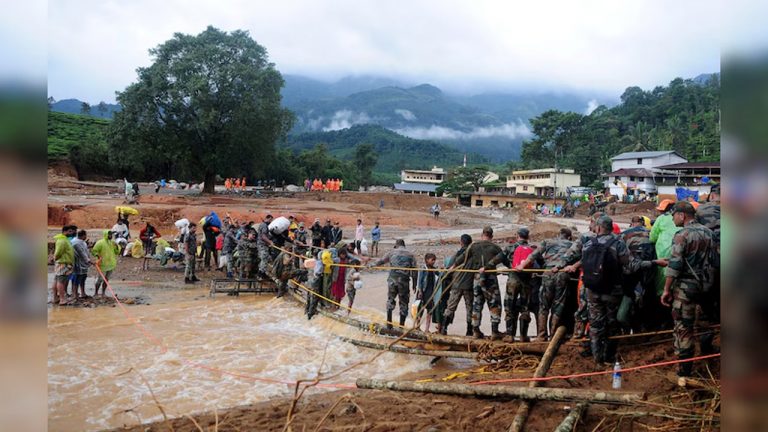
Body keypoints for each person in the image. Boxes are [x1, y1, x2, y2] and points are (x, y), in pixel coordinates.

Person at [660, 201, 719, 378]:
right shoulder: (709, 233)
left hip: (686, 289)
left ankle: (684, 371)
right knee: (704, 322)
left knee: (683, 327)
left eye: (673, 215)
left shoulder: (682, 235)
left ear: (682, 215)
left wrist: (666, 289)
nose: (672, 219)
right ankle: (707, 354)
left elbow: (676, 265)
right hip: (707, 286)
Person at [561, 216, 629, 365]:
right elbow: (627, 264)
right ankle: (609, 357)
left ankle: (597, 359)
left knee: (595, 324)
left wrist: (571, 266)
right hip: (612, 291)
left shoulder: (588, 243)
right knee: (612, 324)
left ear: (598, 228)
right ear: (611, 227)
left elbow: (584, 263)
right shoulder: (618, 243)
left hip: (592, 290)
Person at [516, 228, 575, 341]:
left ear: (559, 235)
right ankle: (553, 336)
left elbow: (534, 255)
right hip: (562, 273)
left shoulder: (548, 242)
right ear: (569, 237)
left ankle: (541, 336)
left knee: (543, 305)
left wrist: (522, 266)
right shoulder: (572, 245)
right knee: (558, 306)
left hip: (548, 273)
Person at [463, 226, 507, 340]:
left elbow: (463, 259)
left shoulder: (474, 247)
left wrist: (452, 266)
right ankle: (494, 331)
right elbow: (505, 261)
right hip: (490, 278)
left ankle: (475, 330)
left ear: (482, 235)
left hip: (477, 278)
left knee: (477, 305)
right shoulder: (496, 248)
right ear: (491, 236)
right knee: (494, 304)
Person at [369, 239, 417, 329]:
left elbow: (381, 261)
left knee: (390, 300)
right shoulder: (410, 255)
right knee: (404, 303)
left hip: (392, 280)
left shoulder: (391, 252)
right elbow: (414, 271)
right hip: (404, 282)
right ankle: (401, 326)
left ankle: (389, 323)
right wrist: (415, 283)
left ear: (396, 245)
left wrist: (371, 265)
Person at [502, 227, 535, 342]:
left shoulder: (511, 247)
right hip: (526, 281)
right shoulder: (532, 249)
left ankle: (510, 335)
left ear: (517, 236)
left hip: (513, 280)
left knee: (509, 306)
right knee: (525, 307)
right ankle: (523, 335)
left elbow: (501, 257)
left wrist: (510, 266)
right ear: (528, 237)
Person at [440, 234, 474, 336]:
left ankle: (444, 328)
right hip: (469, 285)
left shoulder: (456, 255)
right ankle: (469, 331)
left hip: (457, 285)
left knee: (450, 307)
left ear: (461, 242)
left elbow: (449, 269)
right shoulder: (474, 255)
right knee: (470, 308)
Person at [650, 199, 681, 297]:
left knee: (662, 276)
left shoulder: (661, 218)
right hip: (680, 251)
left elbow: (652, 238)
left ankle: (661, 296)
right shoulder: (681, 219)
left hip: (663, 254)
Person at [417, 253, 441, 333]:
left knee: (429, 311)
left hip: (430, 292)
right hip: (423, 291)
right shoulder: (423, 268)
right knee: (420, 310)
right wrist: (420, 291)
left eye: (434, 260)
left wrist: (444, 270)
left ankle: (427, 329)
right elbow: (420, 281)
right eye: (432, 260)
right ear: (427, 260)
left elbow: (441, 275)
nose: (434, 261)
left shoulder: (434, 269)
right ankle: (417, 326)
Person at [53, 225, 76, 304]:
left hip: (64, 262)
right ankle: (62, 299)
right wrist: (56, 259)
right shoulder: (62, 241)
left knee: (57, 280)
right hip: (63, 263)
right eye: (69, 231)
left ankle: (56, 298)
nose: (71, 233)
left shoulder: (64, 239)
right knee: (60, 281)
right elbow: (58, 253)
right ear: (64, 231)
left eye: (71, 231)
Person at [92, 229, 119, 297]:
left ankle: (103, 293)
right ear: (106, 234)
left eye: (111, 234)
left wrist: (117, 247)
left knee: (106, 279)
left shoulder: (112, 243)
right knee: (100, 279)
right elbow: (94, 251)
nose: (111, 236)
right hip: (102, 264)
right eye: (109, 234)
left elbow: (116, 252)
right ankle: (96, 293)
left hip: (111, 264)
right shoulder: (100, 242)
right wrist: (98, 256)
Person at [71, 230, 92, 299]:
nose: (86, 236)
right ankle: (75, 294)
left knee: (83, 278)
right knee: (77, 279)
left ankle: (83, 293)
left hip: (84, 264)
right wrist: (89, 261)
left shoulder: (82, 242)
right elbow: (82, 254)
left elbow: (85, 251)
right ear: (83, 236)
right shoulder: (76, 243)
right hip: (78, 264)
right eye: (85, 235)